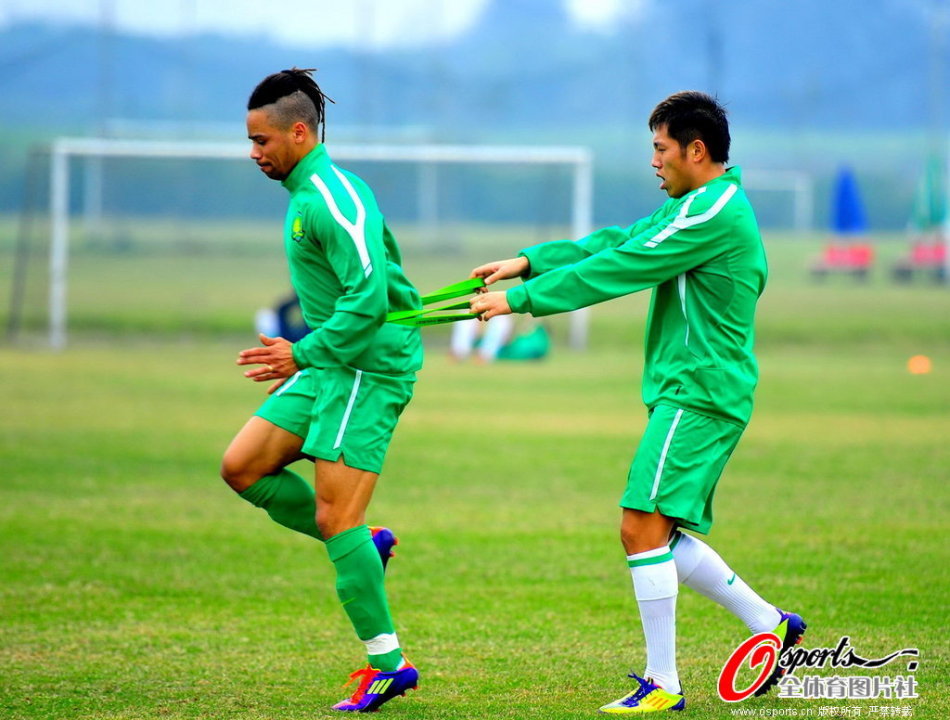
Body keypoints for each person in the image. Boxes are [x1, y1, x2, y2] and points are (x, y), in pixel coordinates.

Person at [469, 91, 805, 714]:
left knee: (638, 525)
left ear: (695, 150)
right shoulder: (695, 205)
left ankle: (664, 684)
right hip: (692, 391)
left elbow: (624, 265)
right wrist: (528, 262)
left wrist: (520, 301)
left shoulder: (712, 213)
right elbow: (622, 239)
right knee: (658, 530)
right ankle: (770, 625)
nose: (653, 161)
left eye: (660, 148)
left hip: (699, 393)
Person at [219, 68, 423, 713]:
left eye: (261, 141)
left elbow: (368, 299)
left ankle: (389, 666)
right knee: (243, 467)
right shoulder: (305, 194)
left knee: (337, 519)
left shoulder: (333, 198)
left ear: (299, 133)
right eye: (251, 141)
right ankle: (366, 544)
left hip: (366, 367)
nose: (254, 153)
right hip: (332, 361)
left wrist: (300, 352)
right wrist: (309, 356)